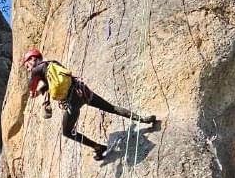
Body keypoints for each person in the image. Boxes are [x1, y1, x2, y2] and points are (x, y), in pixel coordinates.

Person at [22, 49, 156, 160]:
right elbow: (54, 82)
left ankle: (98, 147)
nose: (28, 68)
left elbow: (31, 87)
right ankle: (143, 119)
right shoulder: (51, 64)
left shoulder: (35, 71)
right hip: (83, 92)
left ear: (32, 59)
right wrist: (42, 89)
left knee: (67, 132)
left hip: (71, 103)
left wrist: (35, 91)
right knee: (111, 108)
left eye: (27, 65)